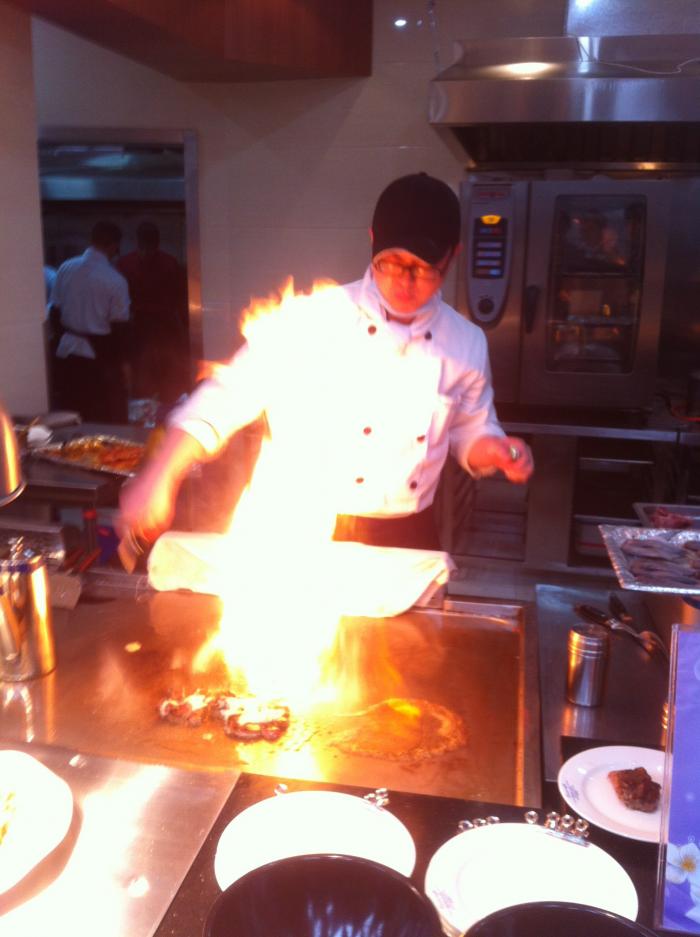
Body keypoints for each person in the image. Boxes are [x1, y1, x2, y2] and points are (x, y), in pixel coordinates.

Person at [120, 172, 533, 550]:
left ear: (452, 256)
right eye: (391, 263)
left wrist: (494, 450)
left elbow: (471, 430)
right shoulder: (313, 317)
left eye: (424, 270)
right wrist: (161, 473)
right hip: (302, 529)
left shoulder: (466, 342)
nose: (405, 282)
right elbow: (226, 395)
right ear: (372, 240)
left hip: (407, 536)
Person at [49, 221, 131, 422]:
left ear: (92, 240)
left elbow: (54, 311)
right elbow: (120, 328)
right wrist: (123, 366)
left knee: (68, 416)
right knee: (98, 418)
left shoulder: (65, 268)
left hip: (66, 355)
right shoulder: (115, 280)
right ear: (114, 245)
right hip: (97, 360)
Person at [117, 221, 189, 406]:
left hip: (148, 326)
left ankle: (150, 410)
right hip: (155, 326)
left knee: (148, 374)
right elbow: (180, 298)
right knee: (159, 373)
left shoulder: (126, 263)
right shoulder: (168, 262)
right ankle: (161, 409)